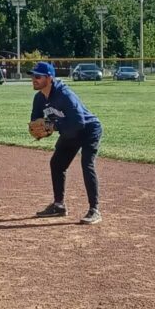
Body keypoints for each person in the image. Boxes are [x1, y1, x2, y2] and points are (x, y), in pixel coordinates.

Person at [28, 61, 103, 225]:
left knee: (86, 164)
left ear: (49, 78)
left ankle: (94, 209)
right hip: (69, 131)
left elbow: (79, 122)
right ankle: (59, 205)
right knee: (57, 164)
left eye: (38, 76)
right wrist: (40, 130)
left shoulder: (65, 95)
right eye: (33, 76)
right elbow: (35, 121)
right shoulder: (39, 98)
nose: (34, 79)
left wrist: (53, 126)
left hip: (89, 130)